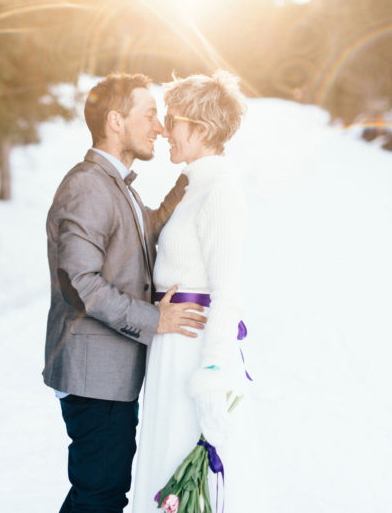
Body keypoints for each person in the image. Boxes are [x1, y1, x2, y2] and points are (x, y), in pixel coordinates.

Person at [43, 73, 208, 513]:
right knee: (101, 494)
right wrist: (158, 320)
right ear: (116, 121)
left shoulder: (116, 186)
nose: (158, 127)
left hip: (107, 377)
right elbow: (80, 283)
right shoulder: (87, 185)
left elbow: (140, 237)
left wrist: (191, 180)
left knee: (97, 492)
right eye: (150, 115)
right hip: (93, 376)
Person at [131, 70, 249, 512]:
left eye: (173, 120)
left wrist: (214, 375)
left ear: (200, 129)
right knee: (161, 465)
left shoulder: (220, 191)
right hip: (170, 351)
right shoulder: (193, 187)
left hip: (193, 355)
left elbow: (227, 291)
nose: (164, 130)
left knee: (180, 479)